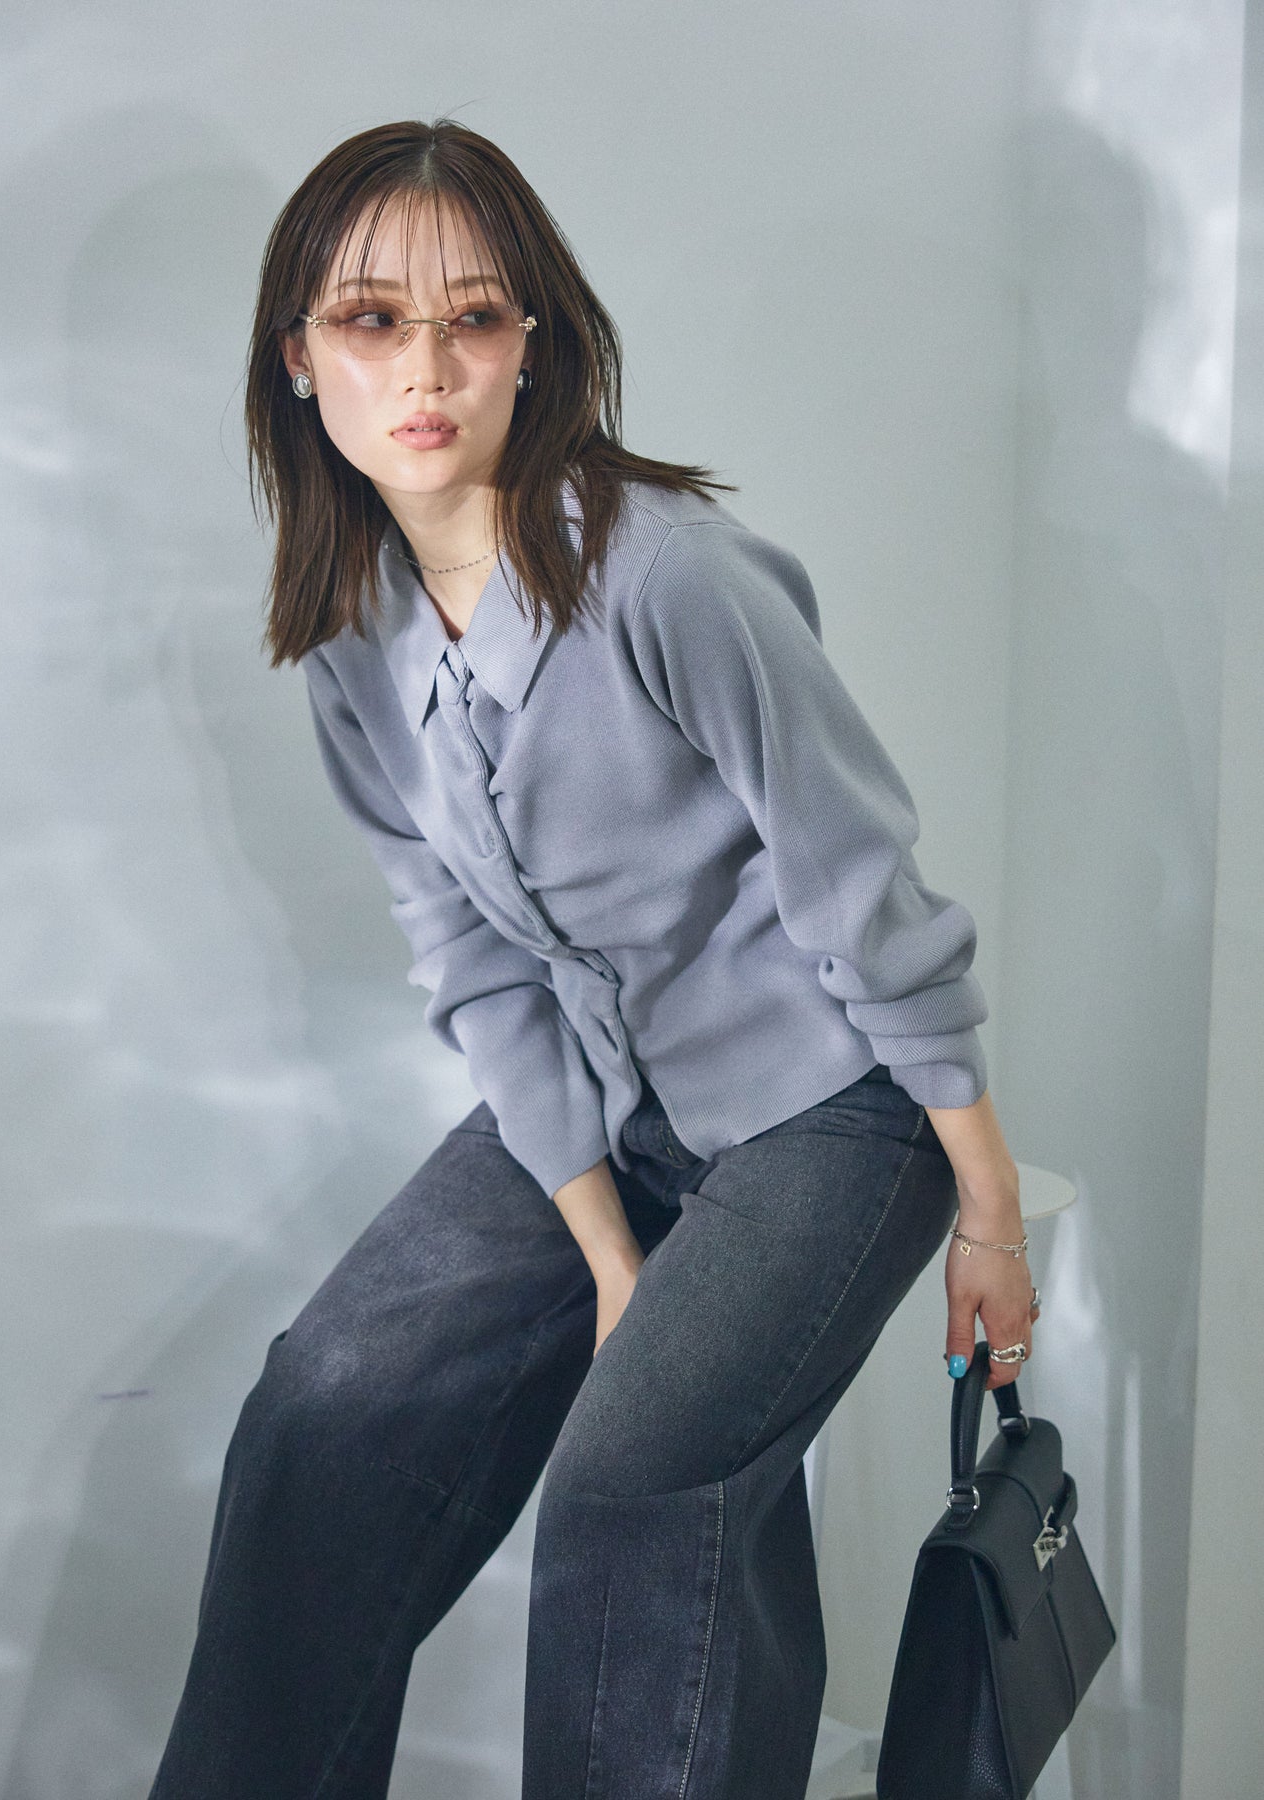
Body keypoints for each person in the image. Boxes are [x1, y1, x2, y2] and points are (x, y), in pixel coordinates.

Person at [147, 116, 1039, 1800]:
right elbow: (470, 959)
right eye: (371, 320)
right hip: (606, 1106)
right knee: (325, 1408)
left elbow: (861, 889)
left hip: (831, 1111)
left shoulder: (668, 575)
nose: (426, 368)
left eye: (473, 318)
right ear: (298, 356)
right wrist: (607, 1253)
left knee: (635, 1484)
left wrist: (984, 1209)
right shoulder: (351, 628)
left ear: (531, 342)